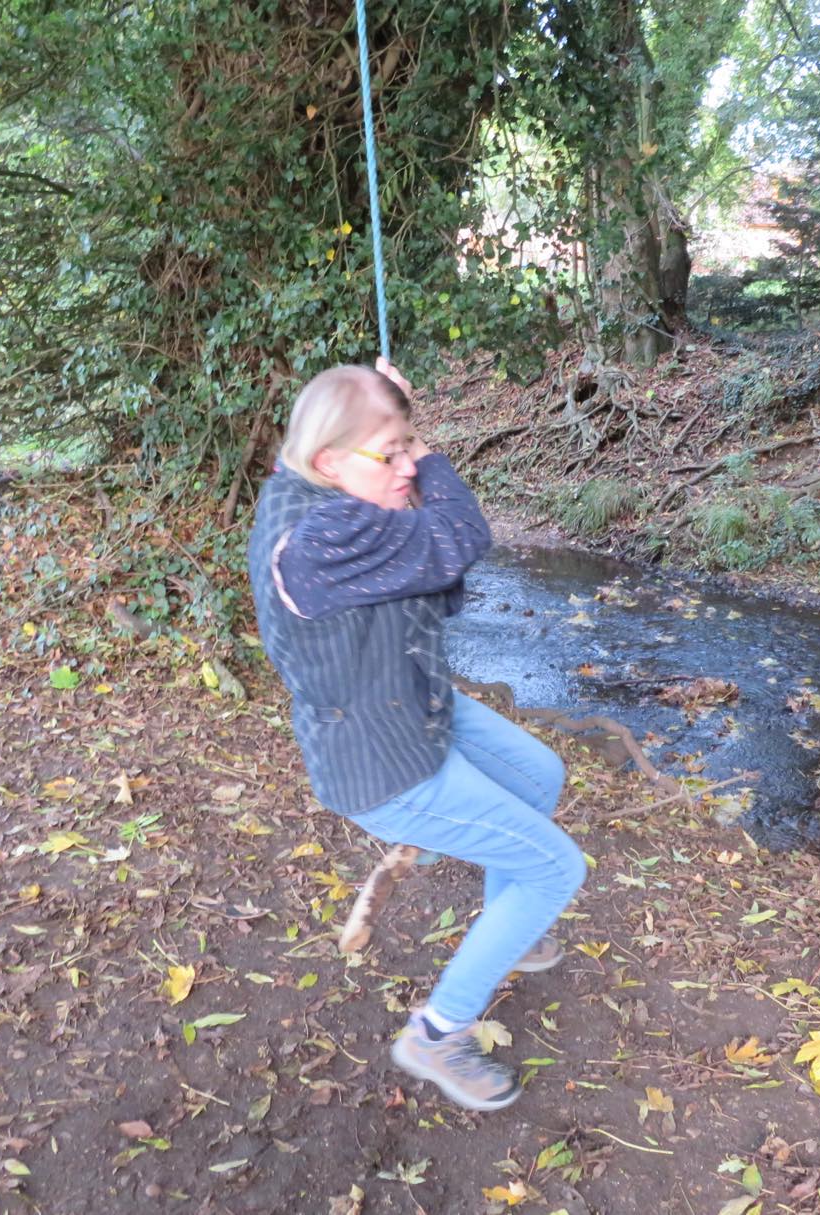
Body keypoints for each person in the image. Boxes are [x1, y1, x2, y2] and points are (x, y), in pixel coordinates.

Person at [247, 359, 587, 1112]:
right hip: (383, 760)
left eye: (407, 448)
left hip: (415, 701)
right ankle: (435, 1033)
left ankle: (510, 928)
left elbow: (433, 563)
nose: (406, 465)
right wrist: (426, 454)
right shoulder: (322, 533)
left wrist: (386, 411)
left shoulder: (320, 479)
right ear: (330, 460)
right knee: (556, 869)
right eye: (390, 453)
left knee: (540, 775)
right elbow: (461, 534)